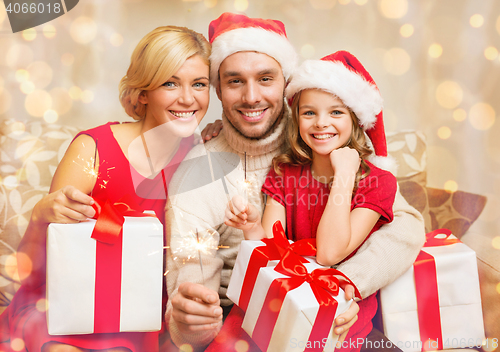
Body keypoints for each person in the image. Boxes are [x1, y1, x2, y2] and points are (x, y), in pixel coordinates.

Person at [165, 12, 425, 352]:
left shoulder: (322, 139)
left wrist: (345, 288)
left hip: (343, 311)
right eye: (235, 81)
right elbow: (198, 293)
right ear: (218, 88)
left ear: (287, 83)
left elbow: (406, 225)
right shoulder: (202, 174)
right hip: (253, 313)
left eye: (266, 79)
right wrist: (191, 319)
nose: (251, 96)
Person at [0, 26, 211, 352]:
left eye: (199, 84)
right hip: (64, 312)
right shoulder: (93, 148)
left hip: (140, 318)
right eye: (170, 83)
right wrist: (43, 214)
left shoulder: (201, 158)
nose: (187, 98)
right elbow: (33, 267)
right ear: (143, 92)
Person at [226, 50, 398, 350]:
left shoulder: (378, 183)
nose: (321, 123)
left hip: (340, 307)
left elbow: (329, 255)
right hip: (286, 293)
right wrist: (252, 227)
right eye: (309, 113)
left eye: (336, 112)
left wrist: (344, 173)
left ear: (355, 119)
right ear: (297, 118)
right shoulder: (285, 171)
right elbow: (271, 251)